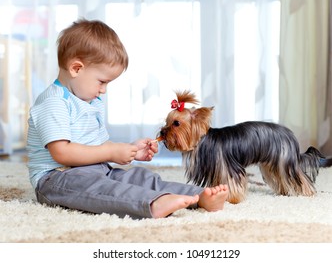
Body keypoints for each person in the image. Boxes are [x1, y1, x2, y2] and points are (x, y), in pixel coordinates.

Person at [27, 18, 229, 219]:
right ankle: (152, 203)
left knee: (140, 177)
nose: (103, 90)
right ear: (76, 68)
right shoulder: (53, 102)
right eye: (102, 81)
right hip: (58, 178)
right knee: (104, 190)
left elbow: (98, 144)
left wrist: (129, 149)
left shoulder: (90, 101)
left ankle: (198, 196)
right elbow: (61, 153)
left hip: (98, 170)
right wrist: (111, 152)